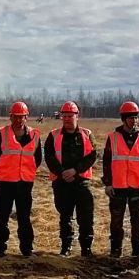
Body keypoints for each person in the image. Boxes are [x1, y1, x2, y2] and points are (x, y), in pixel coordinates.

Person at [44, 101, 97, 257]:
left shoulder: (87, 134)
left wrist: (75, 170)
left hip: (81, 181)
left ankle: (86, 249)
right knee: (65, 216)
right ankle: (66, 247)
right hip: (61, 182)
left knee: (85, 217)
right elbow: (49, 157)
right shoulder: (53, 135)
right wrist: (62, 173)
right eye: (64, 116)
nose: (67, 119)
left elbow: (93, 156)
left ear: (77, 116)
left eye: (70, 116)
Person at [102, 101, 139, 258]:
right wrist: (108, 184)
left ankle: (138, 252)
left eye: (136, 117)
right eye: (131, 117)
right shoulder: (113, 138)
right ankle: (115, 252)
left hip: (137, 188)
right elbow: (107, 162)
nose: (134, 120)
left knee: (138, 223)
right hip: (117, 188)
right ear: (123, 119)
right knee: (116, 223)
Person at [0, 101, 42, 256]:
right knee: (2, 216)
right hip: (5, 182)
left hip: (25, 183)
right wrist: (6, 170)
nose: (19, 120)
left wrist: (27, 171)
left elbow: (37, 158)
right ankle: (0, 247)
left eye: (22, 117)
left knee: (24, 217)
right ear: (11, 117)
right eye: (16, 117)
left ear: (27, 117)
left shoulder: (35, 135)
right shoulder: (2, 133)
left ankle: (26, 248)